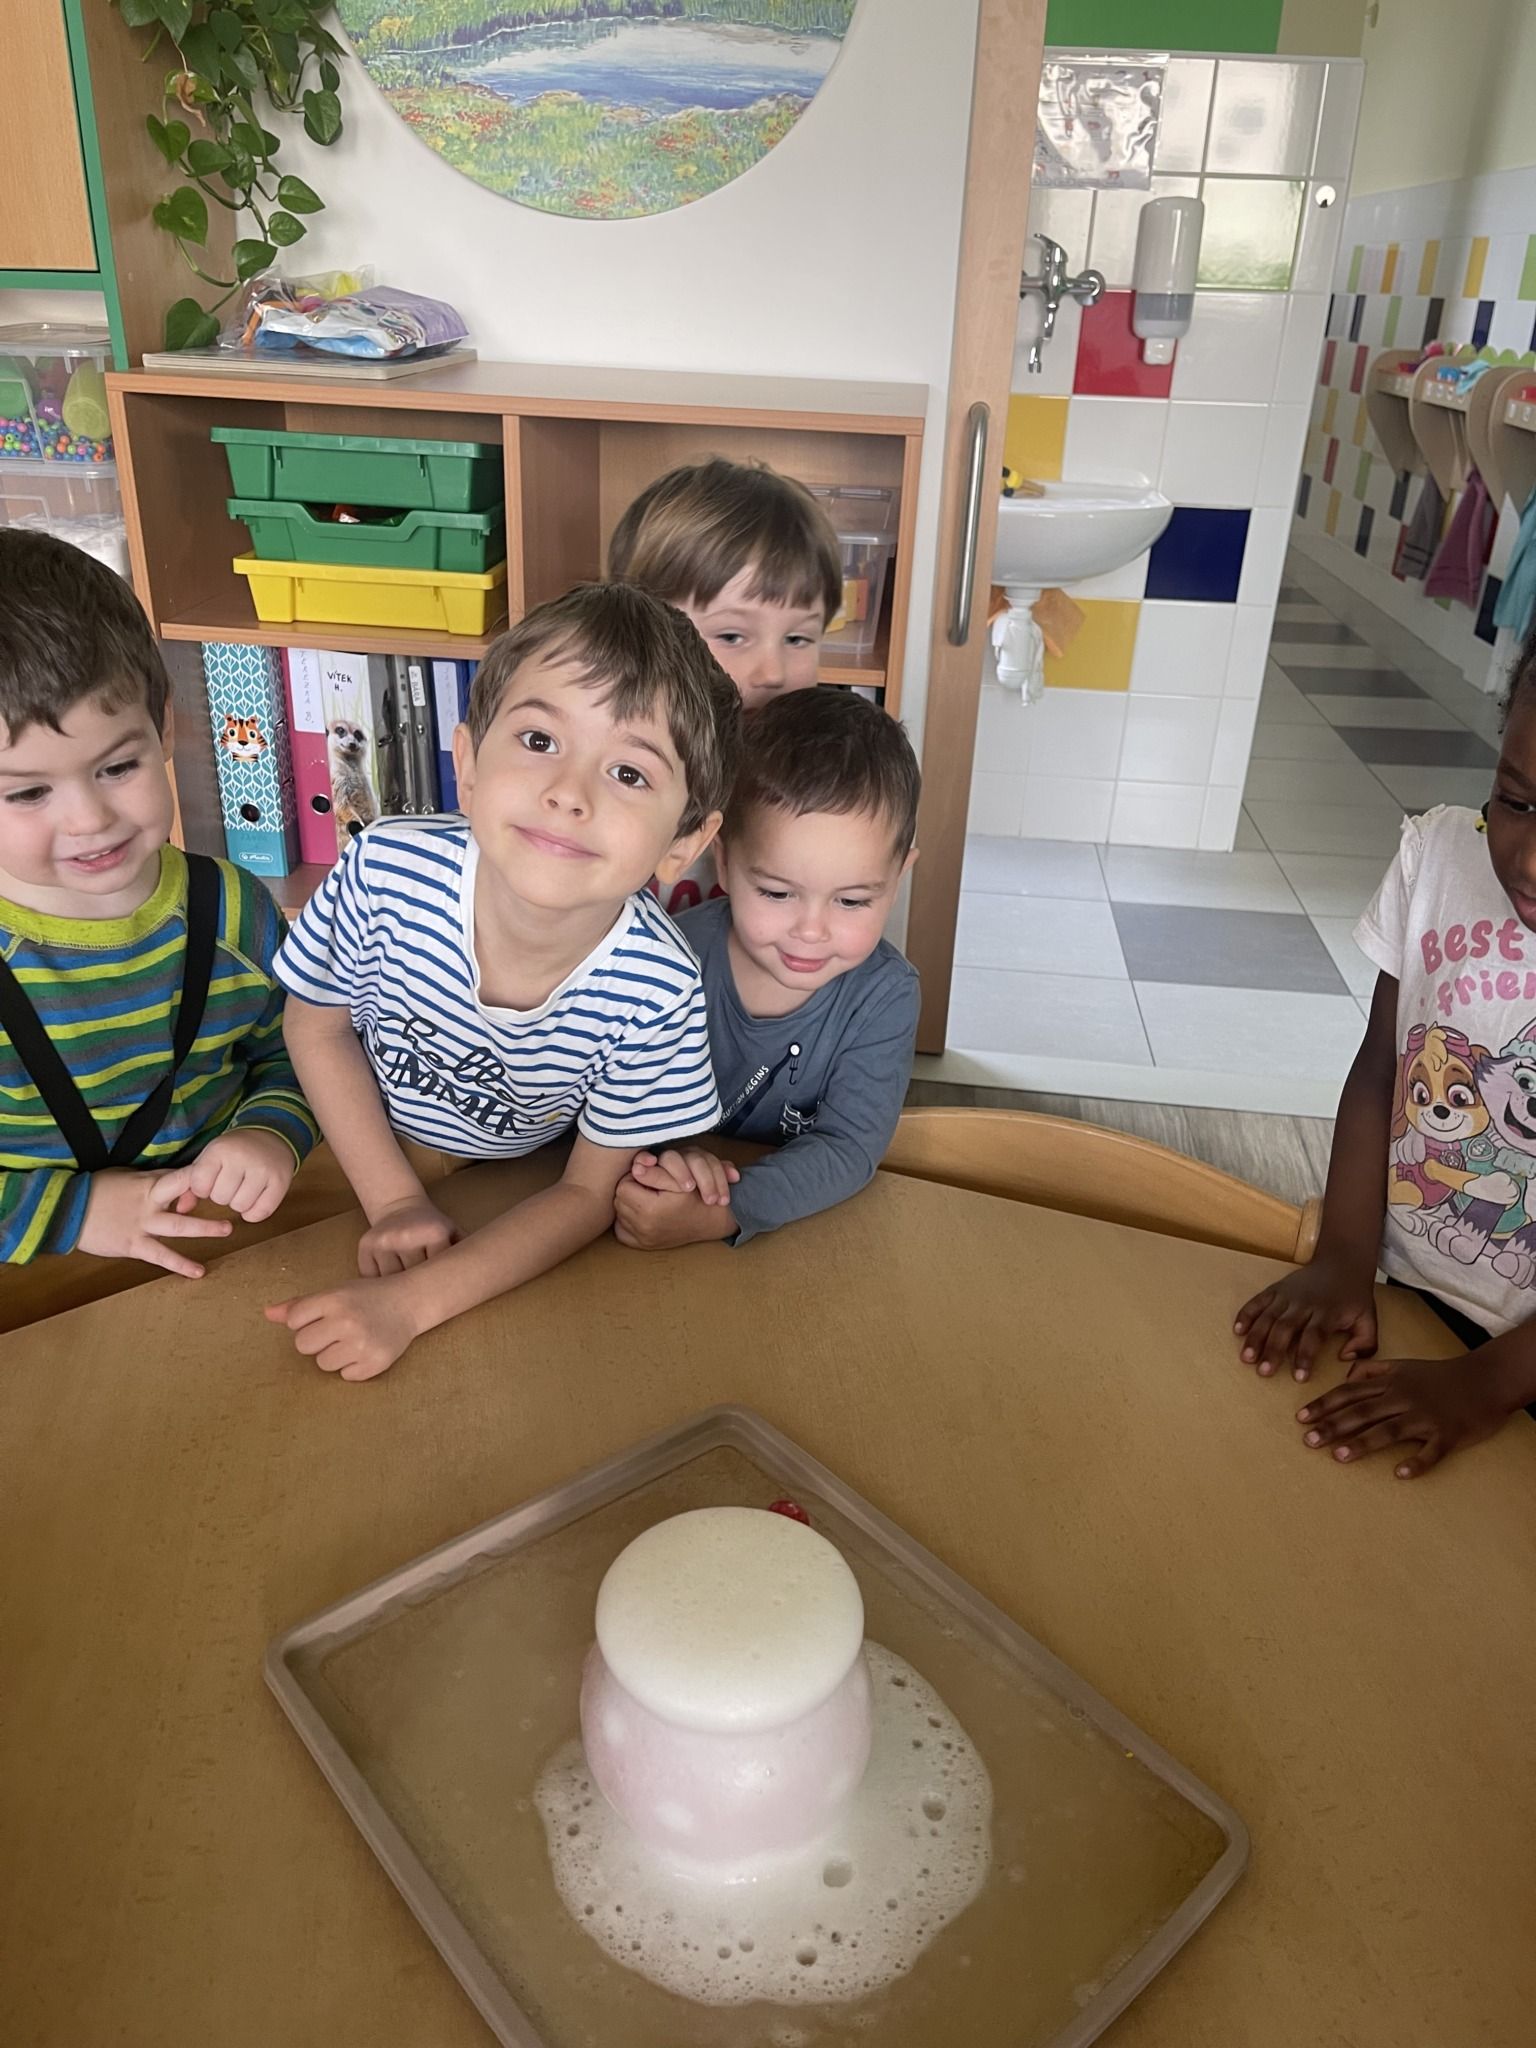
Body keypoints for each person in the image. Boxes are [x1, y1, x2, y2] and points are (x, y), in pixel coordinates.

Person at [268, 581, 741, 1380]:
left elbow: (586, 1195)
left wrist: (410, 1307)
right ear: (467, 764)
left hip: (513, 1184)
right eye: (539, 739)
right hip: (344, 1140)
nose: (568, 794)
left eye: (629, 774)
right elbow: (314, 1027)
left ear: (684, 843)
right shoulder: (383, 869)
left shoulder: (659, 988)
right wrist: (394, 1201)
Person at [1234, 627, 1536, 1476]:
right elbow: (1381, 1068)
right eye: (1517, 801)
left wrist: (1486, 1385)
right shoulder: (1437, 856)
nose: (1529, 859)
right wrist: (1343, 1255)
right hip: (1405, 1294)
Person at [0, 530, 316, 1276]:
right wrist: (77, 1213)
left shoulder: (236, 910)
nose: (89, 820)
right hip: (45, 1283)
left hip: (227, 1248)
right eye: (29, 792)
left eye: (117, 767)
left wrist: (271, 1133)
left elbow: (302, 1053)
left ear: (165, 725)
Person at [614, 686, 919, 1252]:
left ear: (898, 879)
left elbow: (850, 1147)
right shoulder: (666, 957)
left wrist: (726, 1211)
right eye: (778, 893)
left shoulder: (885, 996)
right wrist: (670, 1163)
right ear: (724, 861)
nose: (811, 930)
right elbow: (611, 1106)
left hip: (799, 1243)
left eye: (852, 901)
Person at [608, 456, 844, 915]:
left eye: (797, 638)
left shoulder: (815, 785)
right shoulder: (607, 765)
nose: (772, 672)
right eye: (732, 636)